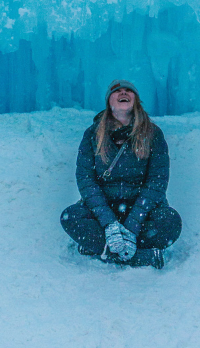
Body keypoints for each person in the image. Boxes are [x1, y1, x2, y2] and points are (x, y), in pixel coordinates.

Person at [60, 80, 182, 269]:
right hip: (103, 211)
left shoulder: (153, 134)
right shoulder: (92, 134)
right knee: (71, 216)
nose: (123, 93)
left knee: (170, 221)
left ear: (136, 100)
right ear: (109, 101)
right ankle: (139, 255)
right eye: (117, 91)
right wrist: (109, 224)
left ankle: (101, 249)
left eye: (128, 91)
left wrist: (132, 226)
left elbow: (157, 182)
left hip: (142, 212)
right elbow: (86, 181)